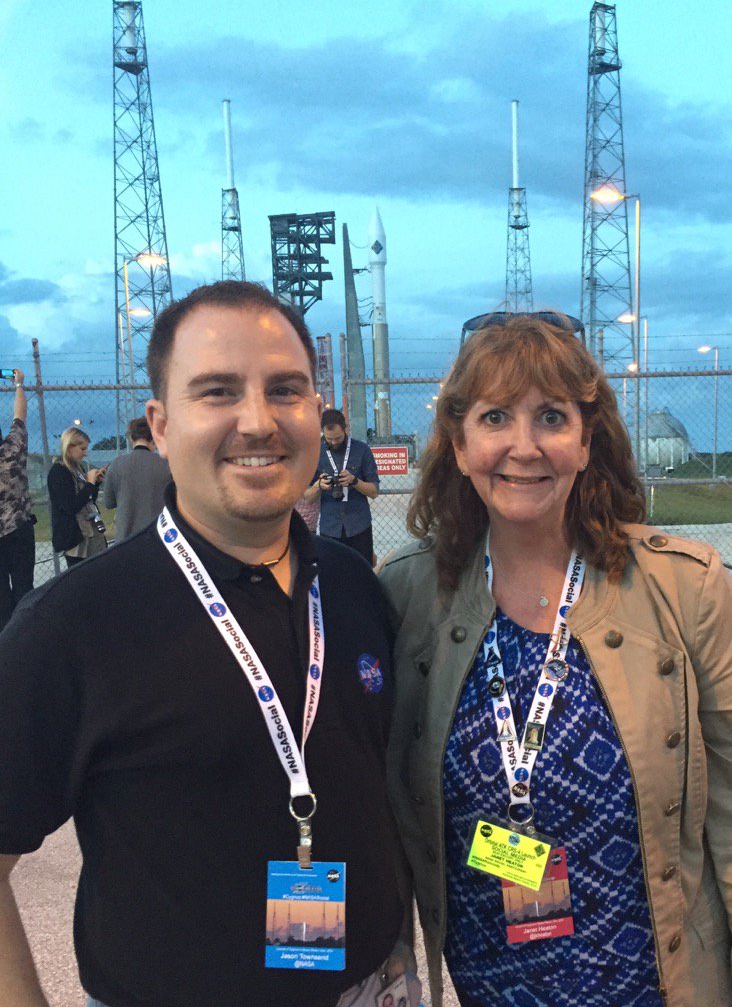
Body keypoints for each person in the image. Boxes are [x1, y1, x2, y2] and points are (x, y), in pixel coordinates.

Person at [0, 280, 419, 1007]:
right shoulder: (70, 628)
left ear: (316, 415)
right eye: (218, 392)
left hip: (375, 987)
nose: (258, 421)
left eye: (285, 390)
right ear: (160, 425)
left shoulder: (353, 588)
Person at [378, 314, 732, 1007]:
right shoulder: (408, 594)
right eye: (495, 417)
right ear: (459, 441)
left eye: (550, 416)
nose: (523, 446)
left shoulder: (684, 587)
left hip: (655, 983)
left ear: (585, 436)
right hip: (492, 983)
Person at [304, 409, 380, 564]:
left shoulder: (362, 450)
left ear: (346, 429)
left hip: (359, 524)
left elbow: (374, 491)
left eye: (337, 438)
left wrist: (354, 481)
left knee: (362, 572)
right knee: (332, 576)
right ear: (322, 432)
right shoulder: (316, 453)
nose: (333, 442)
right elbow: (308, 497)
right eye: (329, 438)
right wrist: (318, 485)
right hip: (330, 527)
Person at [0, 369, 35, 630]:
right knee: (24, 585)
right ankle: (24, 634)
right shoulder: (13, 447)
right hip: (19, 528)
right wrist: (19, 384)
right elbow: (19, 415)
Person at [103, 415, 171, 541]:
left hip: (126, 539)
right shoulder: (166, 464)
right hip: (159, 537)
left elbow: (109, 503)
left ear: (130, 438)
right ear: (154, 437)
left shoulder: (117, 464)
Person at [47, 427, 107, 568]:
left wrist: (95, 484)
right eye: (82, 449)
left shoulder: (78, 468)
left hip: (91, 532)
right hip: (76, 538)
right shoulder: (59, 472)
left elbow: (88, 499)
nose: (85, 454)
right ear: (69, 446)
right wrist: (89, 484)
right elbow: (71, 506)